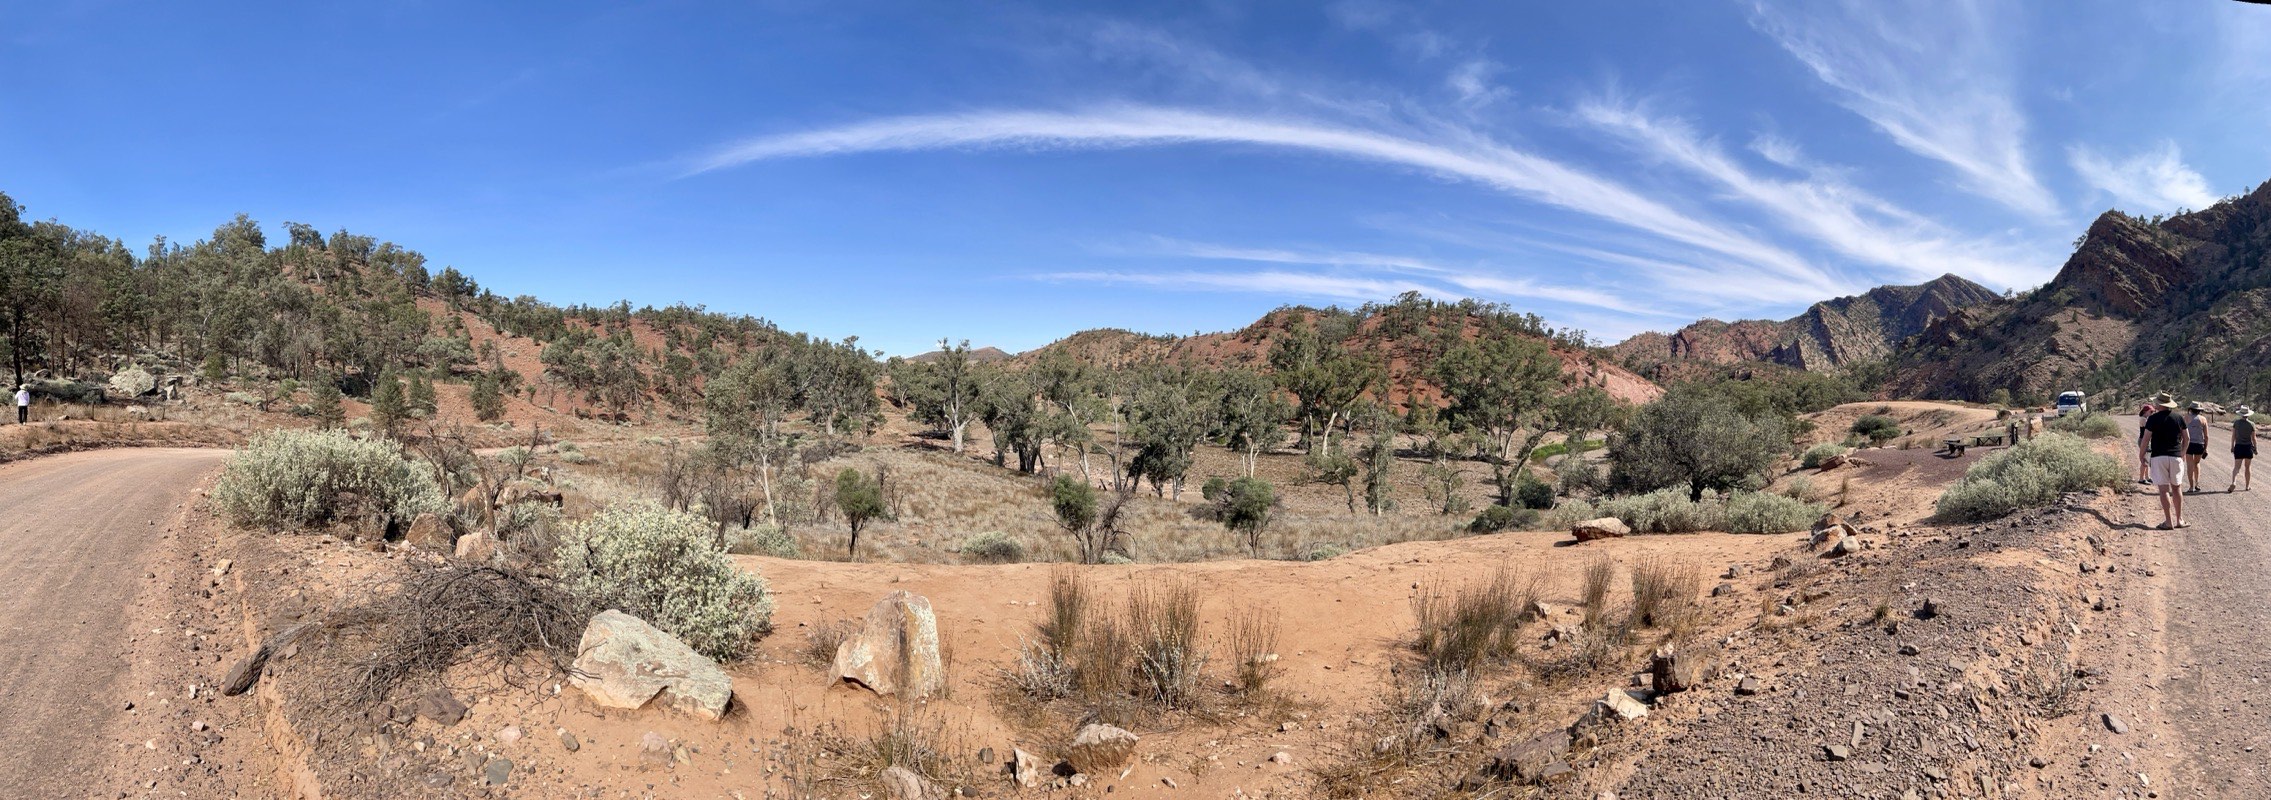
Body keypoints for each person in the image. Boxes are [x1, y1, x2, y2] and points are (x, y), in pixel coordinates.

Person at [2139, 393, 2188, 529]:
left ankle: (2168, 521)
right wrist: (2182, 453)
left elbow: (2146, 439)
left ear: (2160, 404)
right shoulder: (2179, 418)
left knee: (2163, 489)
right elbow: (2187, 438)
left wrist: (2141, 455)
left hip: (2159, 456)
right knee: (2177, 488)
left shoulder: (2153, 419)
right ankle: (2179, 520)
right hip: (2176, 456)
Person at [2185, 401, 2212, 494]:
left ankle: (2191, 487)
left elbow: (2182, 432)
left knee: (2189, 465)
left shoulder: (2186, 417)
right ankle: (2197, 483)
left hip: (2189, 443)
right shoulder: (2203, 419)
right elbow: (2206, 436)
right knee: (2196, 463)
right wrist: (2205, 448)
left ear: (2191, 409)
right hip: (2199, 444)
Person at [2232, 405, 2257, 492]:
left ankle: (2234, 482)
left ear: (2241, 414)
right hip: (2248, 447)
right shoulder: (2251, 424)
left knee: (2236, 467)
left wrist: (2232, 446)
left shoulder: (2236, 423)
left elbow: (2233, 436)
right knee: (2247, 467)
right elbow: (2254, 438)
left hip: (2238, 446)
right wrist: (2255, 448)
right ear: (2248, 414)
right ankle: (2247, 486)